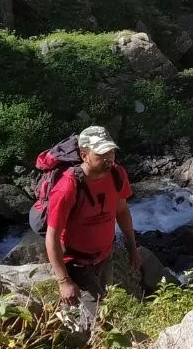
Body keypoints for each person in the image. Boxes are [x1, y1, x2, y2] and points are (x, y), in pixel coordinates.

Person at [44, 126, 139, 315]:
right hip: (76, 263)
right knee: (98, 320)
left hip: (105, 256)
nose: (108, 157)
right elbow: (52, 237)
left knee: (105, 306)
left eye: (111, 151)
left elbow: (121, 211)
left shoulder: (117, 174)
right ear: (84, 155)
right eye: (101, 153)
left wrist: (132, 248)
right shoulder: (68, 187)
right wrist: (64, 281)